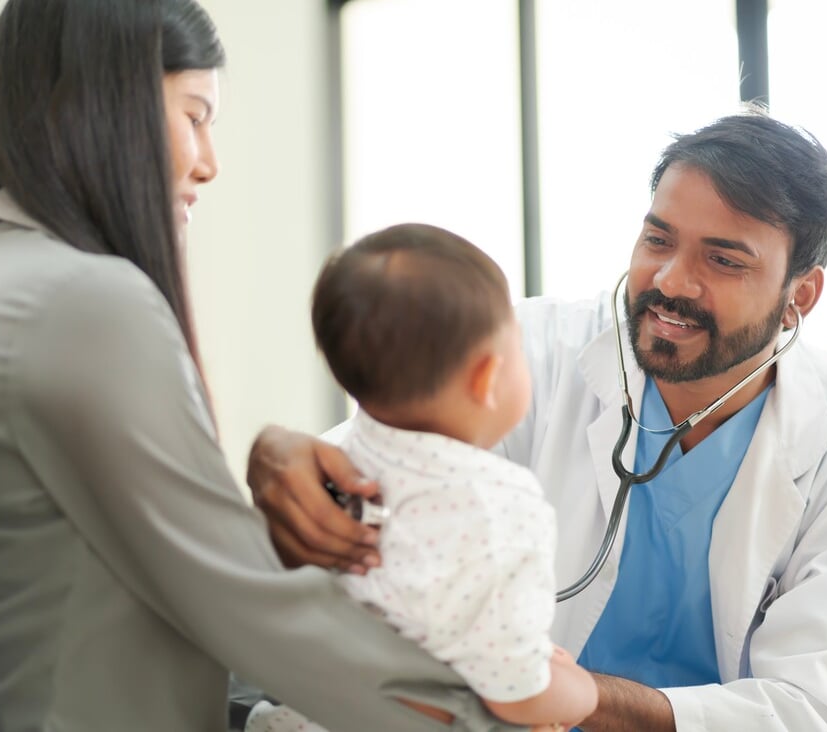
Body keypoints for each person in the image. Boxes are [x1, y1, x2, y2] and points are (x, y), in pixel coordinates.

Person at [0, 1, 530, 730]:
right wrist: (480, 719)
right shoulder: (83, 302)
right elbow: (253, 606)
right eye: (195, 115)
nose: (209, 164)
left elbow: (172, 559)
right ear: (101, 105)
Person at [247, 110, 827, 731]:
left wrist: (577, 697)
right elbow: (388, 463)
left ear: (800, 297)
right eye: (658, 239)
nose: (670, 281)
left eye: (722, 260)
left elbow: (813, 712)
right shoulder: (526, 349)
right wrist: (285, 454)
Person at [245, 224, 598, 732]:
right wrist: (579, 691)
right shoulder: (502, 505)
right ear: (485, 377)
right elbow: (516, 694)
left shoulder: (333, 465)